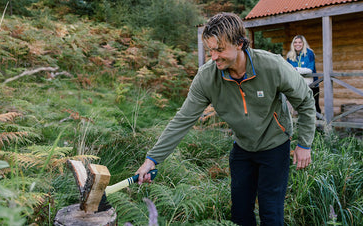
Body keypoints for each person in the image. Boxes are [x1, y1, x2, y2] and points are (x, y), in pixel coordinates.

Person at [135, 12, 316, 226]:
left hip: (275, 145)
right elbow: (182, 119)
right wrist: (152, 159)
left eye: (219, 49)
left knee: (271, 215)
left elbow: (305, 101)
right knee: (239, 215)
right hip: (242, 148)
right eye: (210, 49)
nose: (213, 56)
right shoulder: (206, 78)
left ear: (239, 44)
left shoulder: (272, 66)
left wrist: (304, 144)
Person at [286, 35, 321, 114]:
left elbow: (309, 70)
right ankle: (300, 124)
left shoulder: (309, 53)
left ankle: (320, 125)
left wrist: (296, 69)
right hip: (296, 85)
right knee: (300, 107)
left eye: (300, 42)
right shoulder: (290, 55)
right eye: (295, 42)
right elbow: (287, 69)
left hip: (312, 85)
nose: (297, 44)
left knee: (314, 106)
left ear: (303, 43)